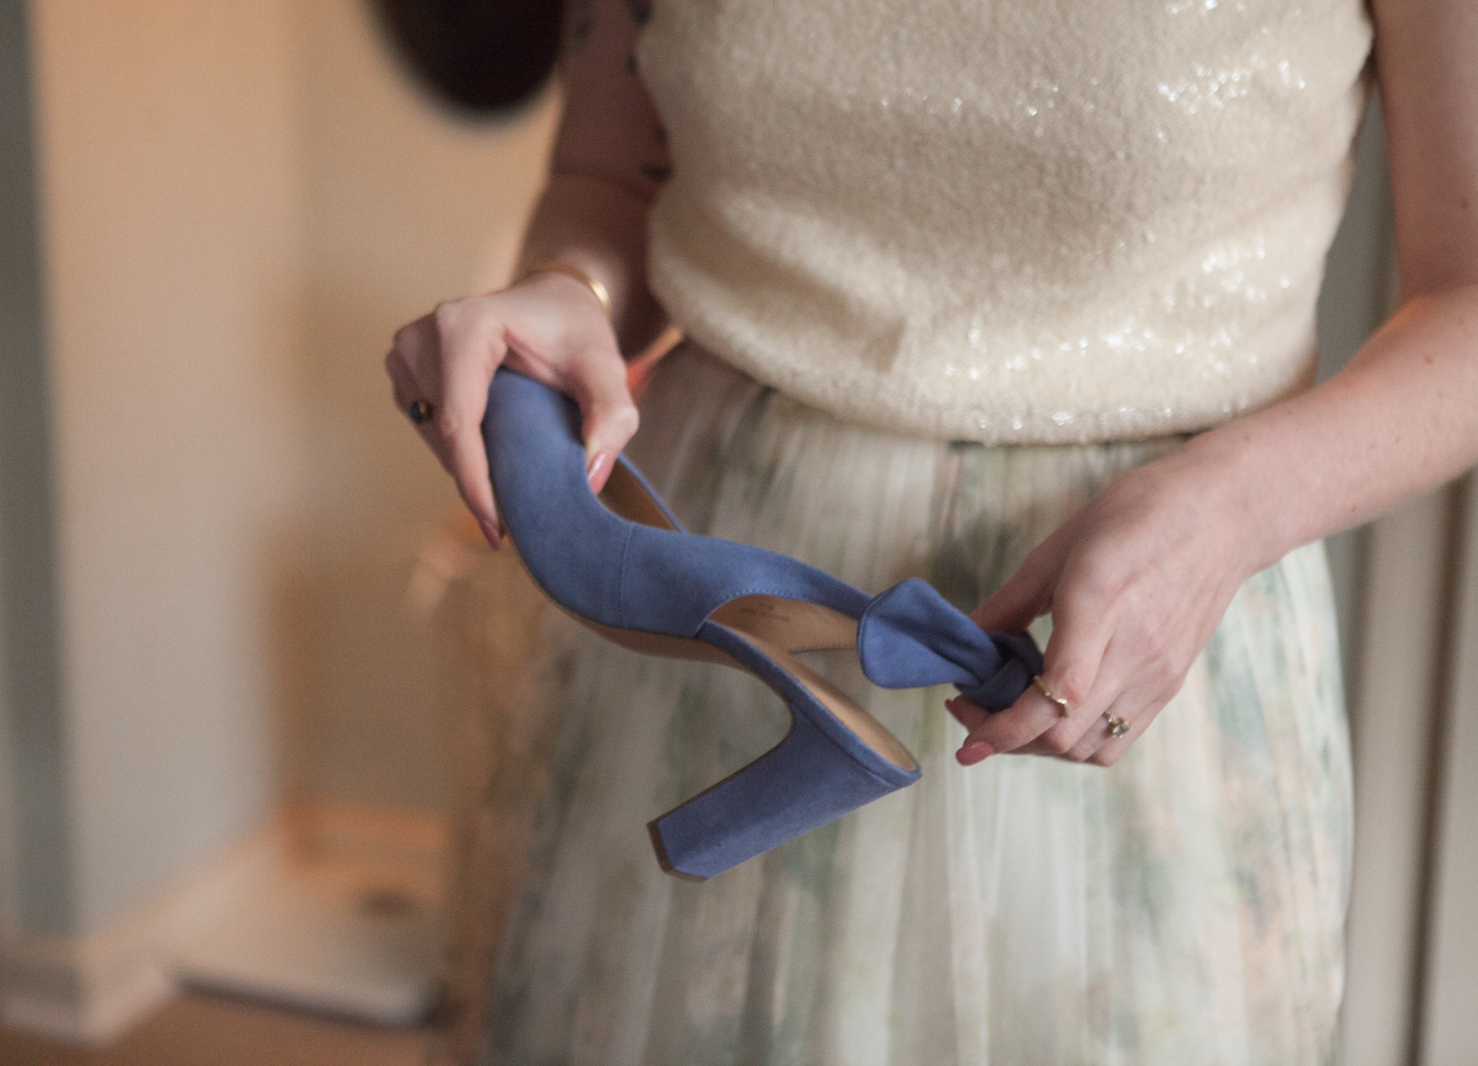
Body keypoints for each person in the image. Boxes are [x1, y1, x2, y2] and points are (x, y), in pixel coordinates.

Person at [385, 0, 1478, 1061]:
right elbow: (612, 181)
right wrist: (566, 291)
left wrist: (1238, 507)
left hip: (1147, 624)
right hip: (715, 613)